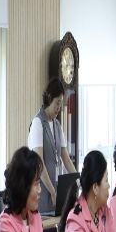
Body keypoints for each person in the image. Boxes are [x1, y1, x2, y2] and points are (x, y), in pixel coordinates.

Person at [27, 77, 77, 213]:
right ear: (49, 98)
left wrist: (78, 180)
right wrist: (52, 190)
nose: (59, 108)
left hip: (55, 188)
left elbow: (66, 158)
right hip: (42, 189)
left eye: (61, 103)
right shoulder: (38, 123)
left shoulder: (57, 124)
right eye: (57, 103)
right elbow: (39, 162)